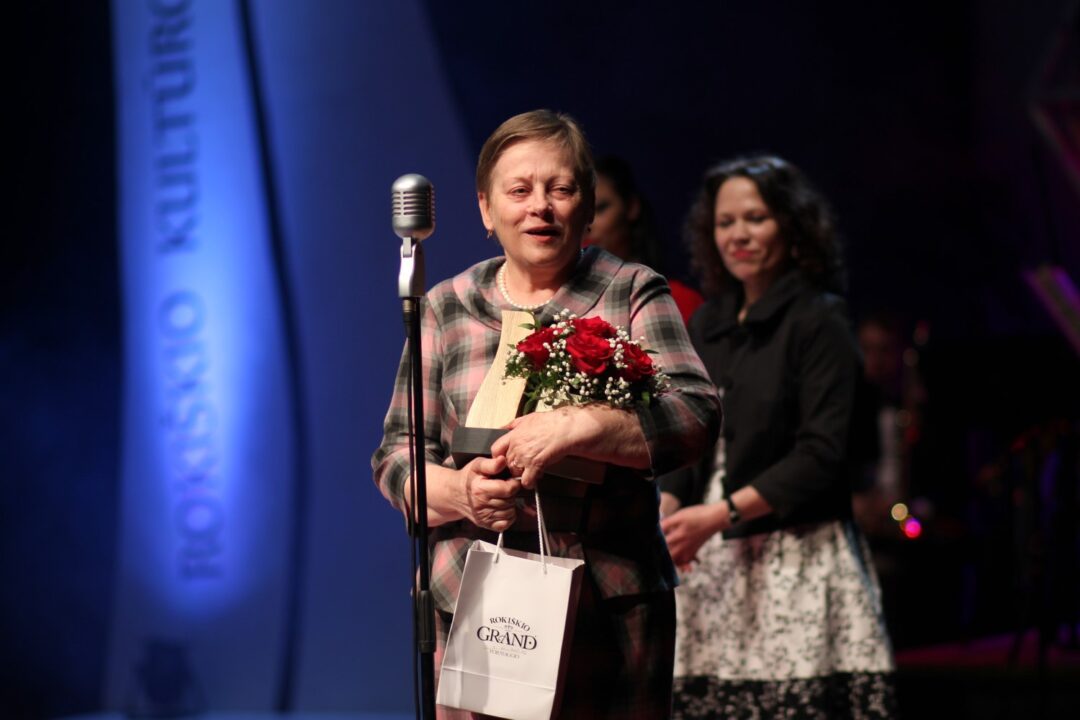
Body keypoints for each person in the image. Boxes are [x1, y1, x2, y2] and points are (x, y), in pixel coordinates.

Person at [372, 110, 722, 718]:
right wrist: (462, 493)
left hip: (610, 603)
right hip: (474, 602)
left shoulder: (630, 289)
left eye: (561, 188)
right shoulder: (446, 307)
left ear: (587, 208)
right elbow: (397, 454)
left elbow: (695, 414)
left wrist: (583, 427)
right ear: (486, 210)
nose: (541, 206)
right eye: (519, 190)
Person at [658, 155, 897, 717]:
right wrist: (667, 512)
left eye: (756, 218)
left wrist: (718, 516)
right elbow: (690, 436)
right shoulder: (708, 322)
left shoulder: (819, 320)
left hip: (797, 555)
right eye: (725, 222)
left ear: (790, 226)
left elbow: (822, 454)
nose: (738, 235)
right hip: (711, 556)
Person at [586, 155, 704, 324]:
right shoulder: (556, 300)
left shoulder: (677, 300)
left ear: (631, 207)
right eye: (579, 212)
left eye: (600, 209)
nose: (586, 224)